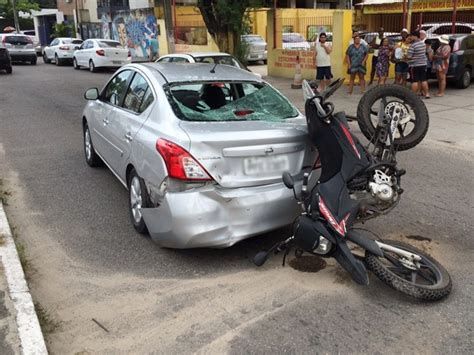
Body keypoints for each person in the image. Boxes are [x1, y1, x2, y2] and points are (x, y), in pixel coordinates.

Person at [407, 30, 430, 98]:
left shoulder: (413, 45)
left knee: (414, 81)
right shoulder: (423, 44)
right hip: (423, 64)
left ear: (415, 36)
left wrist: (406, 56)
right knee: (423, 79)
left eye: (411, 36)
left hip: (414, 65)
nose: (411, 37)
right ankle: (427, 94)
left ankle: (413, 95)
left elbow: (409, 57)